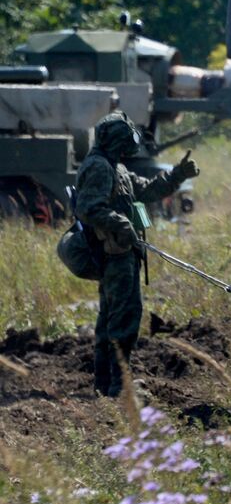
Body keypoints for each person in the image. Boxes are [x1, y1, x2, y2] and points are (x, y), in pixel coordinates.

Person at [74, 112, 198, 396]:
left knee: (112, 318)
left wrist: (177, 174)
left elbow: (147, 190)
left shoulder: (114, 167)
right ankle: (119, 386)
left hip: (122, 253)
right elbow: (88, 208)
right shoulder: (99, 167)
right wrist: (121, 223)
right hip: (113, 254)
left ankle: (106, 383)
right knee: (123, 319)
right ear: (113, 140)